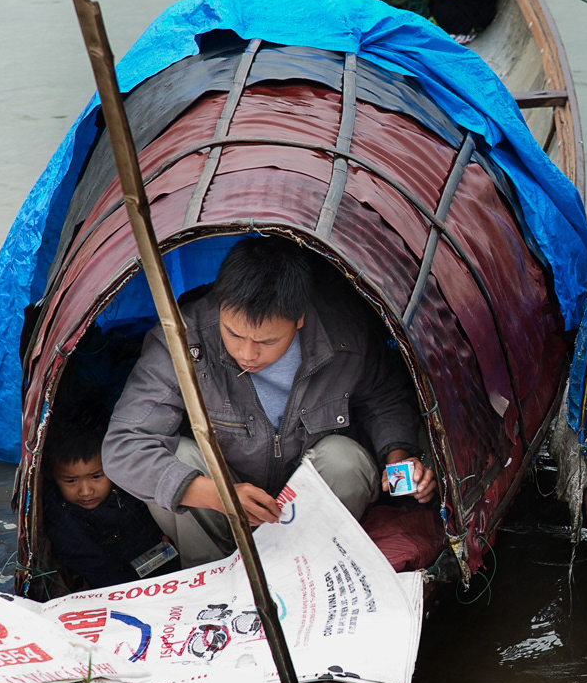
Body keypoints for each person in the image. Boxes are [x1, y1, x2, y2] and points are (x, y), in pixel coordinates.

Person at [103, 236, 435, 566]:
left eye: (267, 341)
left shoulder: (345, 335)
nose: (247, 354)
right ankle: (213, 577)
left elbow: (386, 398)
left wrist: (399, 458)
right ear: (219, 304)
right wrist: (217, 495)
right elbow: (123, 446)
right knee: (177, 456)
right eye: (233, 334)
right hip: (218, 508)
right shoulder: (182, 337)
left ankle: (309, 571)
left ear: (299, 319)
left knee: (345, 461)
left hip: (308, 503)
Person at [42, 412, 179, 589]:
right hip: (121, 588)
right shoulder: (64, 522)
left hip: (164, 565)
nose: (86, 491)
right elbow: (100, 573)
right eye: (71, 481)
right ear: (54, 477)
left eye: (96, 476)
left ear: (113, 467)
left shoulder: (128, 486)